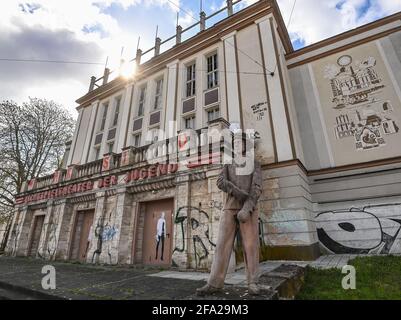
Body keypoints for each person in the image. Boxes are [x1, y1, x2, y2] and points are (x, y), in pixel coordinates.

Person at [197, 130, 262, 296]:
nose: (237, 145)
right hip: (230, 206)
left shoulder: (254, 163)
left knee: (250, 246)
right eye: (235, 144)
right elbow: (220, 181)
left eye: (240, 143)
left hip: (249, 209)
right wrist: (234, 190)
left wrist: (247, 208)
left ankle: (253, 282)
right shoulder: (228, 163)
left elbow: (257, 188)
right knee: (222, 245)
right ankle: (214, 283)